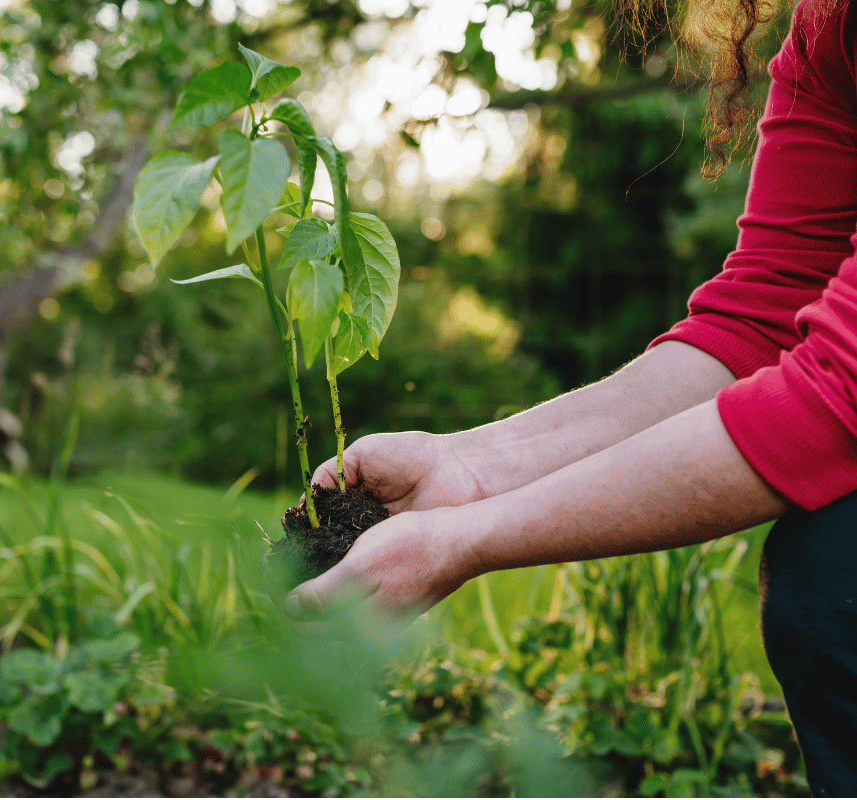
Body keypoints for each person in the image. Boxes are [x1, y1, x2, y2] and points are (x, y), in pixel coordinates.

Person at [283, 0, 857, 793]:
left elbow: (834, 400)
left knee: (834, 571)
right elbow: (763, 314)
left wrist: (466, 540)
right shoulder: (831, 26)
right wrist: (468, 468)